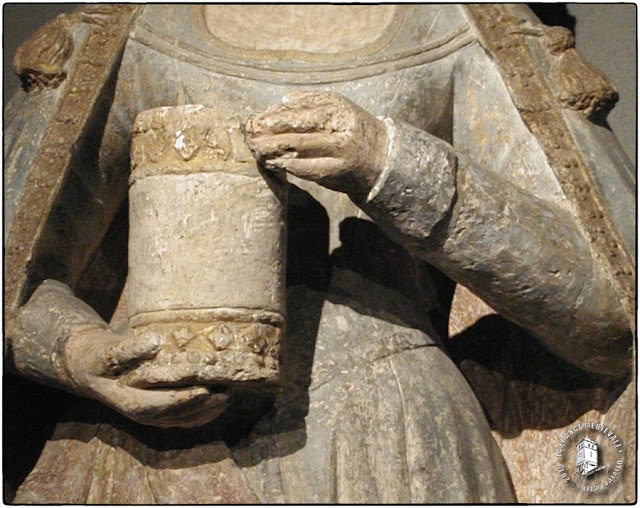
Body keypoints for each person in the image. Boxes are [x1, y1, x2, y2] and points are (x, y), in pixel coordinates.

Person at [4, 5, 634, 503]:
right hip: (161, 440)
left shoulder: (456, 25)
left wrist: (390, 161)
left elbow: (613, 315)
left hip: (391, 440)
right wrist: (82, 353)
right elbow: (19, 278)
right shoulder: (133, 28)